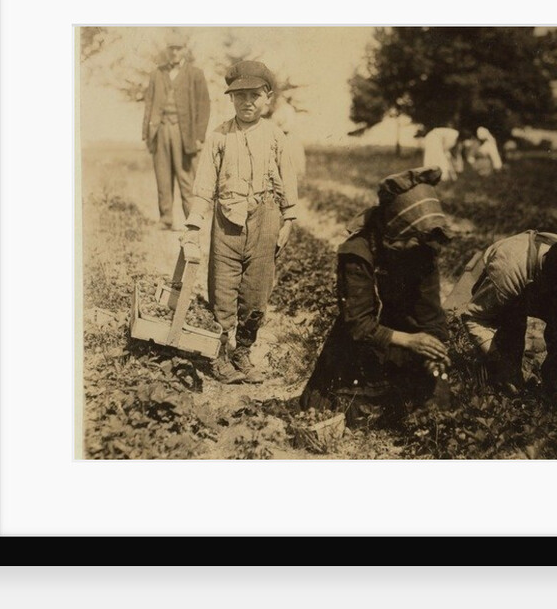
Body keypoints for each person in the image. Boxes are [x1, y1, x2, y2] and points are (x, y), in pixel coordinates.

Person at [299, 167, 453, 426]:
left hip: (405, 343)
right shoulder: (358, 253)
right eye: (411, 238)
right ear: (395, 226)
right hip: (363, 344)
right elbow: (358, 325)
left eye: (420, 239)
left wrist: (433, 351)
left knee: (437, 407)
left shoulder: (423, 250)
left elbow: (431, 314)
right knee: (346, 411)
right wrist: (410, 341)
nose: (417, 245)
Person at [180, 61, 298, 384]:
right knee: (223, 286)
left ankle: (242, 351)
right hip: (227, 220)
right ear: (231, 99)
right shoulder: (219, 135)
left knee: (257, 289)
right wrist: (194, 223)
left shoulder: (275, 136)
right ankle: (218, 352)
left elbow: (288, 180)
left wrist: (288, 219)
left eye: (255, 95)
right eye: (240, 96)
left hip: (265, 218)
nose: (247, 102)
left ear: (268, 98)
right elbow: (204, 183)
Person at [456, 230, 557, 426]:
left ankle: (554, 392)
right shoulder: (509, 271)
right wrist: (498, 360)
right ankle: (509, 378)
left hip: (550, 288)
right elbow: (474, 318)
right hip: (513, 287)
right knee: (508, 379)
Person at [142, 31, 211, 230]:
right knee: (162, 175)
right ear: (167, 50)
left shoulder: (195, 74)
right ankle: (165, 219)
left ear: (184, 50)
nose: (174, 52)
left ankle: (192, 220)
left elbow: (204, 105)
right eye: (171, 48)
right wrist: (147, 134)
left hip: (184, 133)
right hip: (161, 130)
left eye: (178, 48)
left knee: (186, 176)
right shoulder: (157, 74)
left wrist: (199, 136)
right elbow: (149, 105)